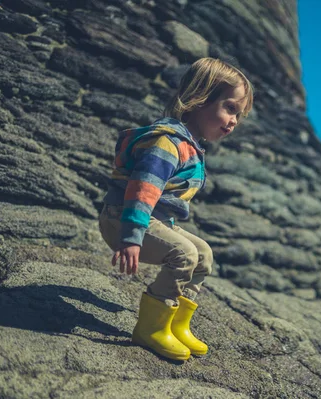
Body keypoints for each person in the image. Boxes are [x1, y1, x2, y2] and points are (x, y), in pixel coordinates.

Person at [99, 58, 254, 361]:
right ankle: (151, 327)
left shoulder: (190, 145)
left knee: (203, 255)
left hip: (151, 221)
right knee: (185, 254)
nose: (234, 120)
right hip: (125, 219)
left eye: (240, 114)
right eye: (230, 108)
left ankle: (176, 324)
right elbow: (142, 191)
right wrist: (131, 237)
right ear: (199, 99)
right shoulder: (168, 143)